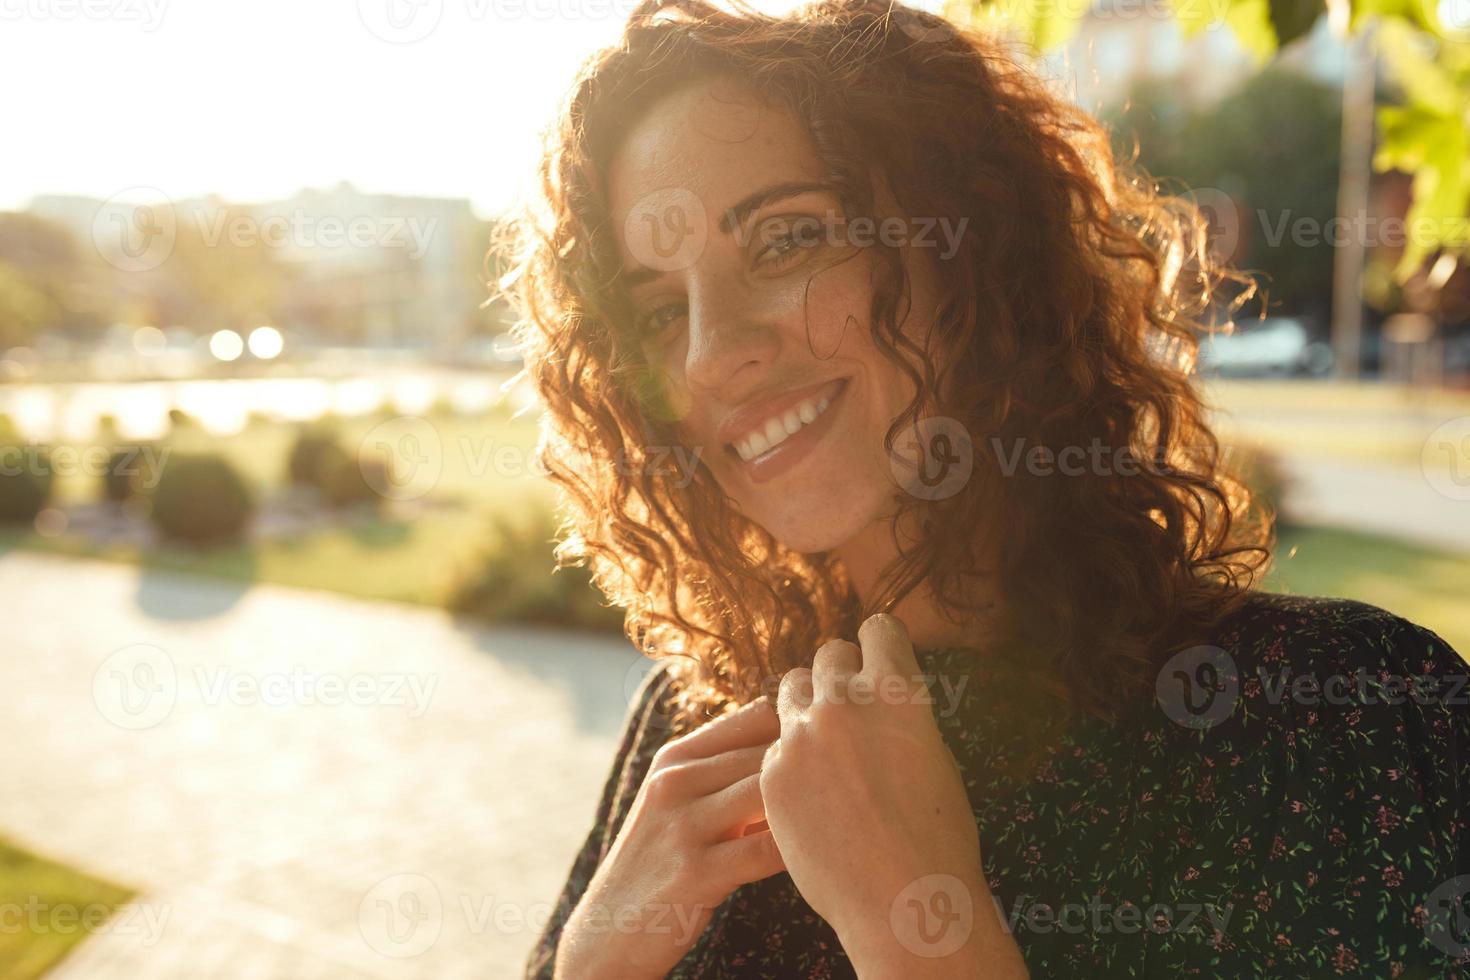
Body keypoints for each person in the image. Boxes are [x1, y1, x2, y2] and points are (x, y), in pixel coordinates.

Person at [498, 0, 1470, 974]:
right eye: (659, 309)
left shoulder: (1361, 718)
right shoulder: (689, 736)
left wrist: (920, 926)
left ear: (975, 248)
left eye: (787, 240)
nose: (711, 354)